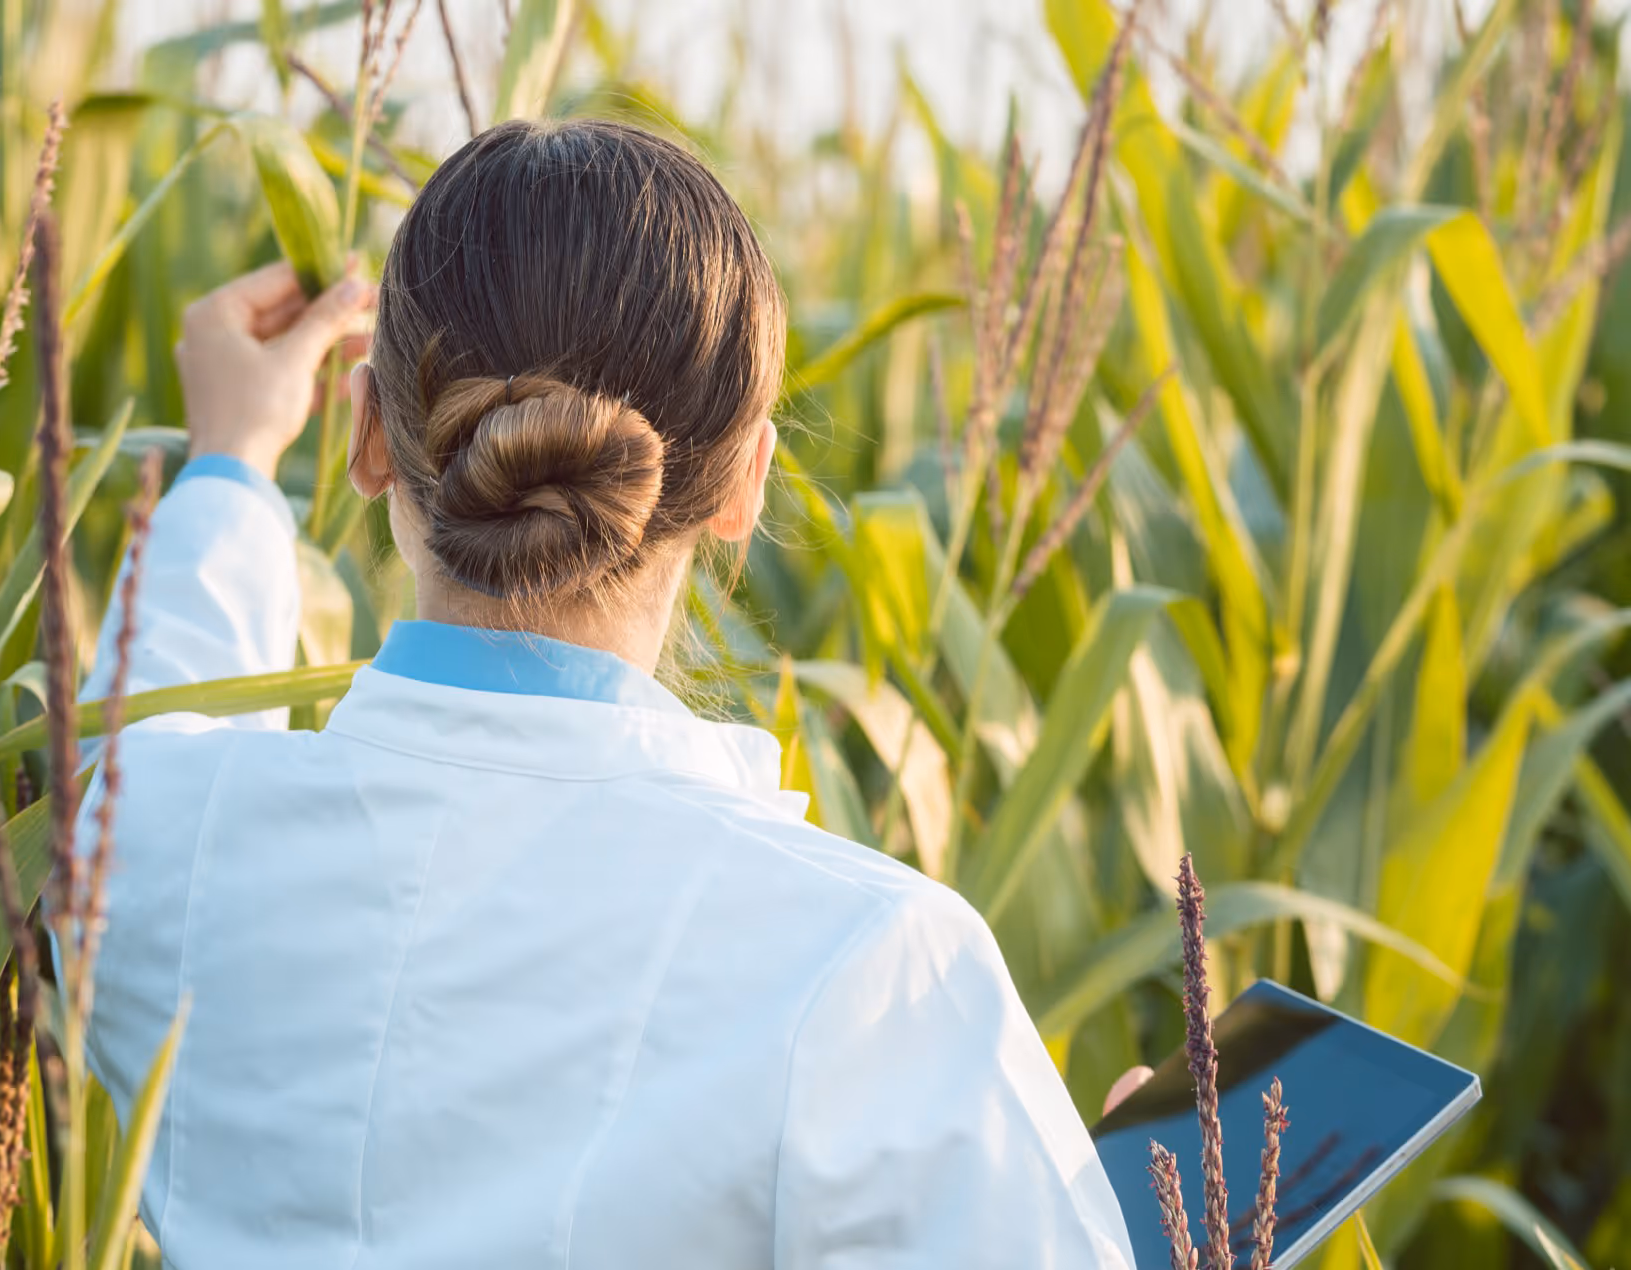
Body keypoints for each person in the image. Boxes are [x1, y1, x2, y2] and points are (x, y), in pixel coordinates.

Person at [76, 118, 1138, 1268]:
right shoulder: (872, 977)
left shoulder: (137, 855)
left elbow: (136, 733)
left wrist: (229, 464)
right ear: (743, 487)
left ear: (373, 440)